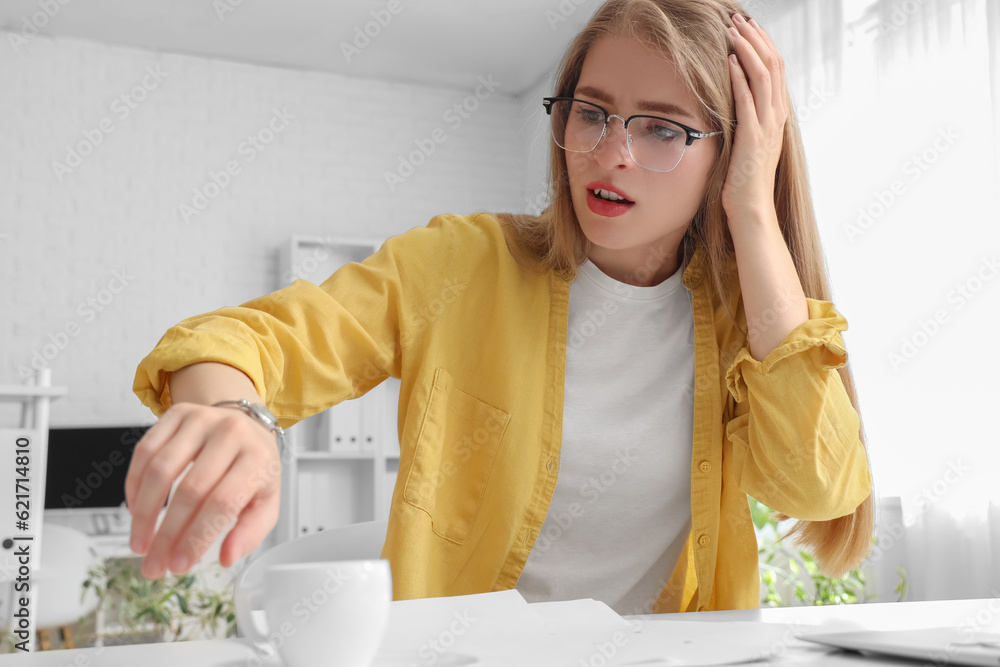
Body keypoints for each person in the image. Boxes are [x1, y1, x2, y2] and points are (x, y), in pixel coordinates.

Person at [127, 0, 874, 615]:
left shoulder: (747, 318)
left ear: (733, 153)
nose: (611, 152)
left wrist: (752, 206)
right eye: (593, 112)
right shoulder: (462, 263)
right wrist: (236, 417)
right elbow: (241, 340)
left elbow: (815, 486)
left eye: (661, 129)